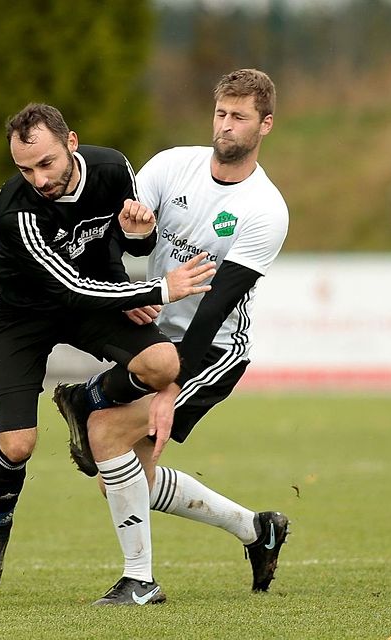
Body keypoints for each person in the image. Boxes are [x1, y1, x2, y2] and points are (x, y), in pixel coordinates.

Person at [53, 69, 290, 605]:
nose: (225, 127)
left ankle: (140, 582)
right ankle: (258, 529)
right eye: (221, 114)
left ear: (265, 125)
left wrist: (166, 388)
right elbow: (125, 248)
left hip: (212, 348)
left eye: (240, 118)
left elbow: (215, 307)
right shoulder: (169, 166)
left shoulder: (266, 210)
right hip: (157, 333)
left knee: (108, 436)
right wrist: (137, 245)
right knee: (121, 473)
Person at [0, 103, 217, 596]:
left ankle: (88, 400)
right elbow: (70, 289)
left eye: (46, 164)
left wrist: (137, 234)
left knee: (164, 364)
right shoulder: (14, 208)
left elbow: (130, 248)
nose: (38, 179)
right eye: (25, 168)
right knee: (18, 445)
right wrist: (154, 292)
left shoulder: (113, 168)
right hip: (20, 313)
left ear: (72, 144)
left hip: (91, 295)